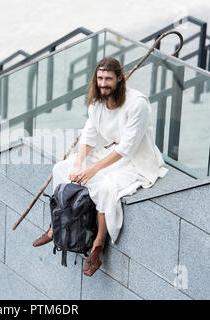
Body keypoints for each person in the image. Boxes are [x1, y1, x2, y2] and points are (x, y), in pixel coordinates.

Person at [32, 57, 169, 277]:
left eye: (108, 79)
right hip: (106, 151)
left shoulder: (137, 104)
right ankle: (55, 226)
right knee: (61, 169)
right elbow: (88, 134)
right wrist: (78, 165)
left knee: (106, 187)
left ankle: (98, 245)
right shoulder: (98, 102)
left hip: (134, 159)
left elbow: (127, 147)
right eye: (100, 78)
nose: (103, 83)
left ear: (120, 78)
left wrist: (92, 170)